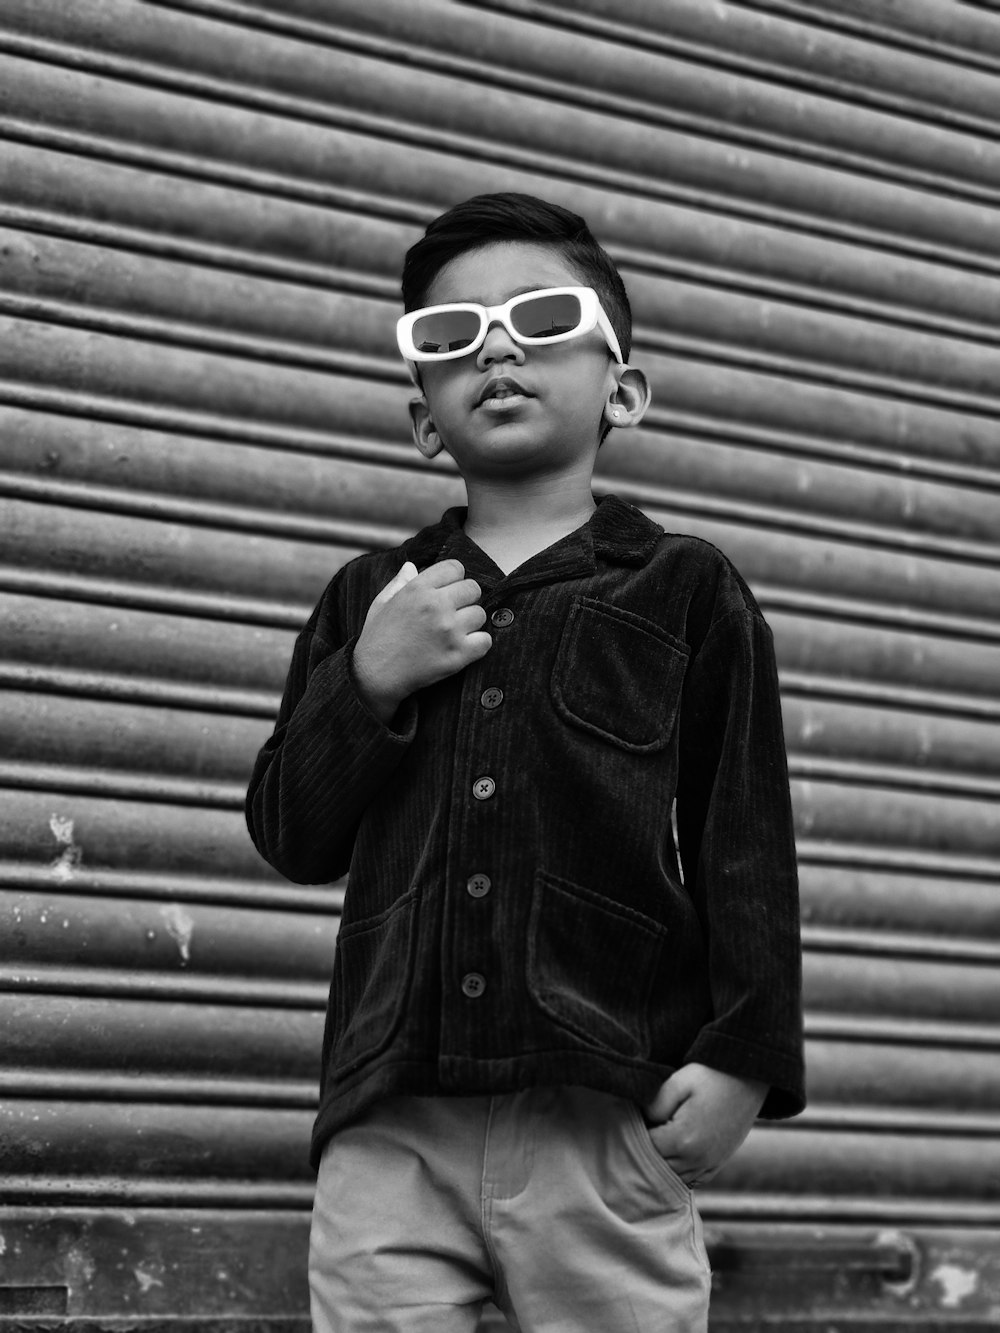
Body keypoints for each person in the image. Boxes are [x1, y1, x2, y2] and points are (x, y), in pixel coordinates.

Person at [246, 192, 805, 1333]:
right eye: (451, 336)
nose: (496, 347)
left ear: (624, 391)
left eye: (543, 320)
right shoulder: (372, 600)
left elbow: (742, 835)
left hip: (597, 1107)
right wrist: (372, 679)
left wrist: (746, 1056)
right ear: (422, 421)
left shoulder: (684, 589)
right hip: (390, 1117)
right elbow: (290, 832)